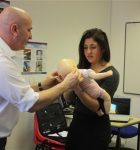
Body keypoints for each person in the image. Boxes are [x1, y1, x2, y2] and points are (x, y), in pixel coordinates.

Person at [0, 6, 80, 150]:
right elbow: (30, 103)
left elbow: (16, 92)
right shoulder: (2, 62)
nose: (31, 36)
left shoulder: (5, 56)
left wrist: (42, 85)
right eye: (29, 29)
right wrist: (65, 85)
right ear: (14, 29)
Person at [64, 28, 120, 150]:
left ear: (103, 48)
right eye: (85, 47)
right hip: (77, 125)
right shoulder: (81, 68)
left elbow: (96, 107)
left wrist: (77, 88)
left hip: (96, 130)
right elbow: (68, 99)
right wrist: (66, 85)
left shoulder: (112, 74)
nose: (88, 52)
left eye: (93, 47)